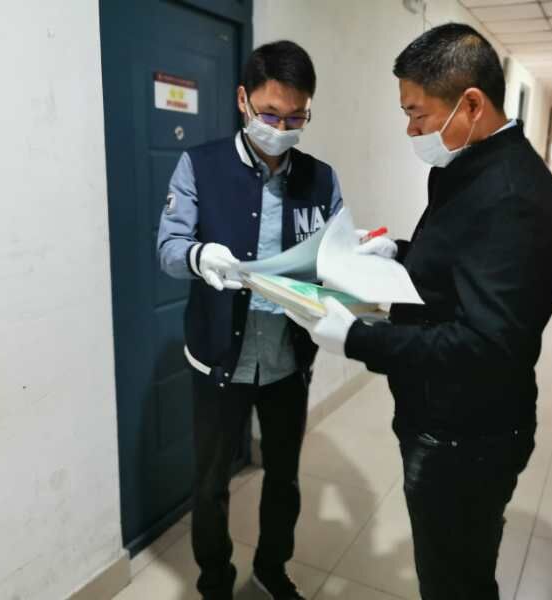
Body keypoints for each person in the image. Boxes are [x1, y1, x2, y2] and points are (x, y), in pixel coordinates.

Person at [287, 24, 552, 600]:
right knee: (453, 569)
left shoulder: (512, 197)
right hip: (441, 415)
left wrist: (358, 338)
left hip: (466, 437)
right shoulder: (469, 167)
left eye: (417, 114)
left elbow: (487, 346)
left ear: (472, 104)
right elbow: (464, 265)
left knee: (453, 583)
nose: (411, 130)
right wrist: (400, 254)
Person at [157, 40, 342, 600]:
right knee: (211, 483)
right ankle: (215, 581)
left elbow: (335, 254)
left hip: (287, 357)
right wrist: (198, 256)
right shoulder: (200, 166)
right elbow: (168, 248)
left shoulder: (321, 179)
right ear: (243, 100)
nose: (281, 129)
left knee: (284, 476)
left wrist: (360, 260)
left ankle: (271, 568)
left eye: (296, 118)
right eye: (270, 114)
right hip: (220, 355)